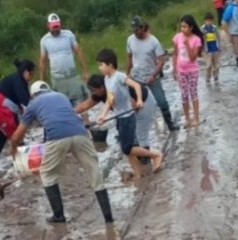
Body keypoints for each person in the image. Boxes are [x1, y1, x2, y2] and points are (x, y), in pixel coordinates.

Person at [9, 81, 114, 224]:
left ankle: (59, 216)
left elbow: (17, 135)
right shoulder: (61, 96)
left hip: (57, 137)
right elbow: (70, 116)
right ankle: (108, 217)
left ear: (33, 94)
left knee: (47, 173)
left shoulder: (33, 104)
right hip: (80, 133)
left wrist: (13, 148)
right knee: (94, 172)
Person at [96, 49, 164, 180]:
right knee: (126, 148)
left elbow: (136, 86)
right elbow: (110, 100)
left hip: (128, 117)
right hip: (119, 117)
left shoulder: (119, 76)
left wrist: (139, 99)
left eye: (101, 65)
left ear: (110, 64)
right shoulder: (106, 79)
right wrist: (103, 115)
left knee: (127, 148)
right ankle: (138, 174)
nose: (100, 68)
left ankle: (155, 155)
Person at [77, 74, 158, 165]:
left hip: (144, 103)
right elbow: (85, 105)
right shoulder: (98, 94)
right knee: (129, 140)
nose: (92, 93)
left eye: (93, 90)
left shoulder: (116, 88)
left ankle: (148, 161)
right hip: (129, 111)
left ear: (101, 88)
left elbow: (133, 105)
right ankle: (141, 161)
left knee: (140, 135)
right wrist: (68, 113)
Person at [126, 16, 180, 131]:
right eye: (133, 30)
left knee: (162, 101)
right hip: (136, 77)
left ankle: (170, 124)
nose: (135, 33)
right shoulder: (130, 40)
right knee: (135, 104)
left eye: (137, 30)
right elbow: (129, 58)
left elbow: (161, 60)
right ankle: (133, 128)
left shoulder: (153, 41)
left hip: (152, 76)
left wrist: (153, 75)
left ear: (142, 28)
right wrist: (126, 75)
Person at [0, 59, 35, 169]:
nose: (33, 76)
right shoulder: (19, 81)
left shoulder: (15, 78)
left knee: (1, 135)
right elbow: (26, 101)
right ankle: (23, 163)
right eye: (32, 73)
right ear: (27, 72)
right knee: (16, 133)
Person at [39, 13, 90, 107]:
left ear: (60, 24)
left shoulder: (68, 34)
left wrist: (85, 71)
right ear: (48, 26)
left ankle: (85, 121)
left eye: (57, 26)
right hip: (57, 78)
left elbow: (78, 52)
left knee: (79, 101)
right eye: (53, 27)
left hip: (71, 75)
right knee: (62, 104)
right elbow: (43, 61)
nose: (55, 29)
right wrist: (42, 79)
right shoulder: (44, 40)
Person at [173, 15, 204, 128]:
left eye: (185, 27)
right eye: (181, 27)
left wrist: (187, 45)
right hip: (181, 71)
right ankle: (187, 118)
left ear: (191, 27)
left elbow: (192, 58)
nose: (183, 29)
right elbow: (175, 54)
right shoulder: (177, 37)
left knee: (193, 93)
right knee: (184, 95)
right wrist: (174, 70)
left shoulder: (196, 39)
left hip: (192, 71)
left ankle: (196, 117)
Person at [201, 12, 221, 83]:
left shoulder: (214, 28)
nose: (209, 22)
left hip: (215, 48)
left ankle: (216, 77)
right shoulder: (203, 29)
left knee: (217, 64)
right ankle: (208, 78)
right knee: (209, 65)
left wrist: (219, 47)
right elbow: (201, 40)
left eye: (210, 21)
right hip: (207, 49)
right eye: (207, 21)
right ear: (205, 21)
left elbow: (218, 37)